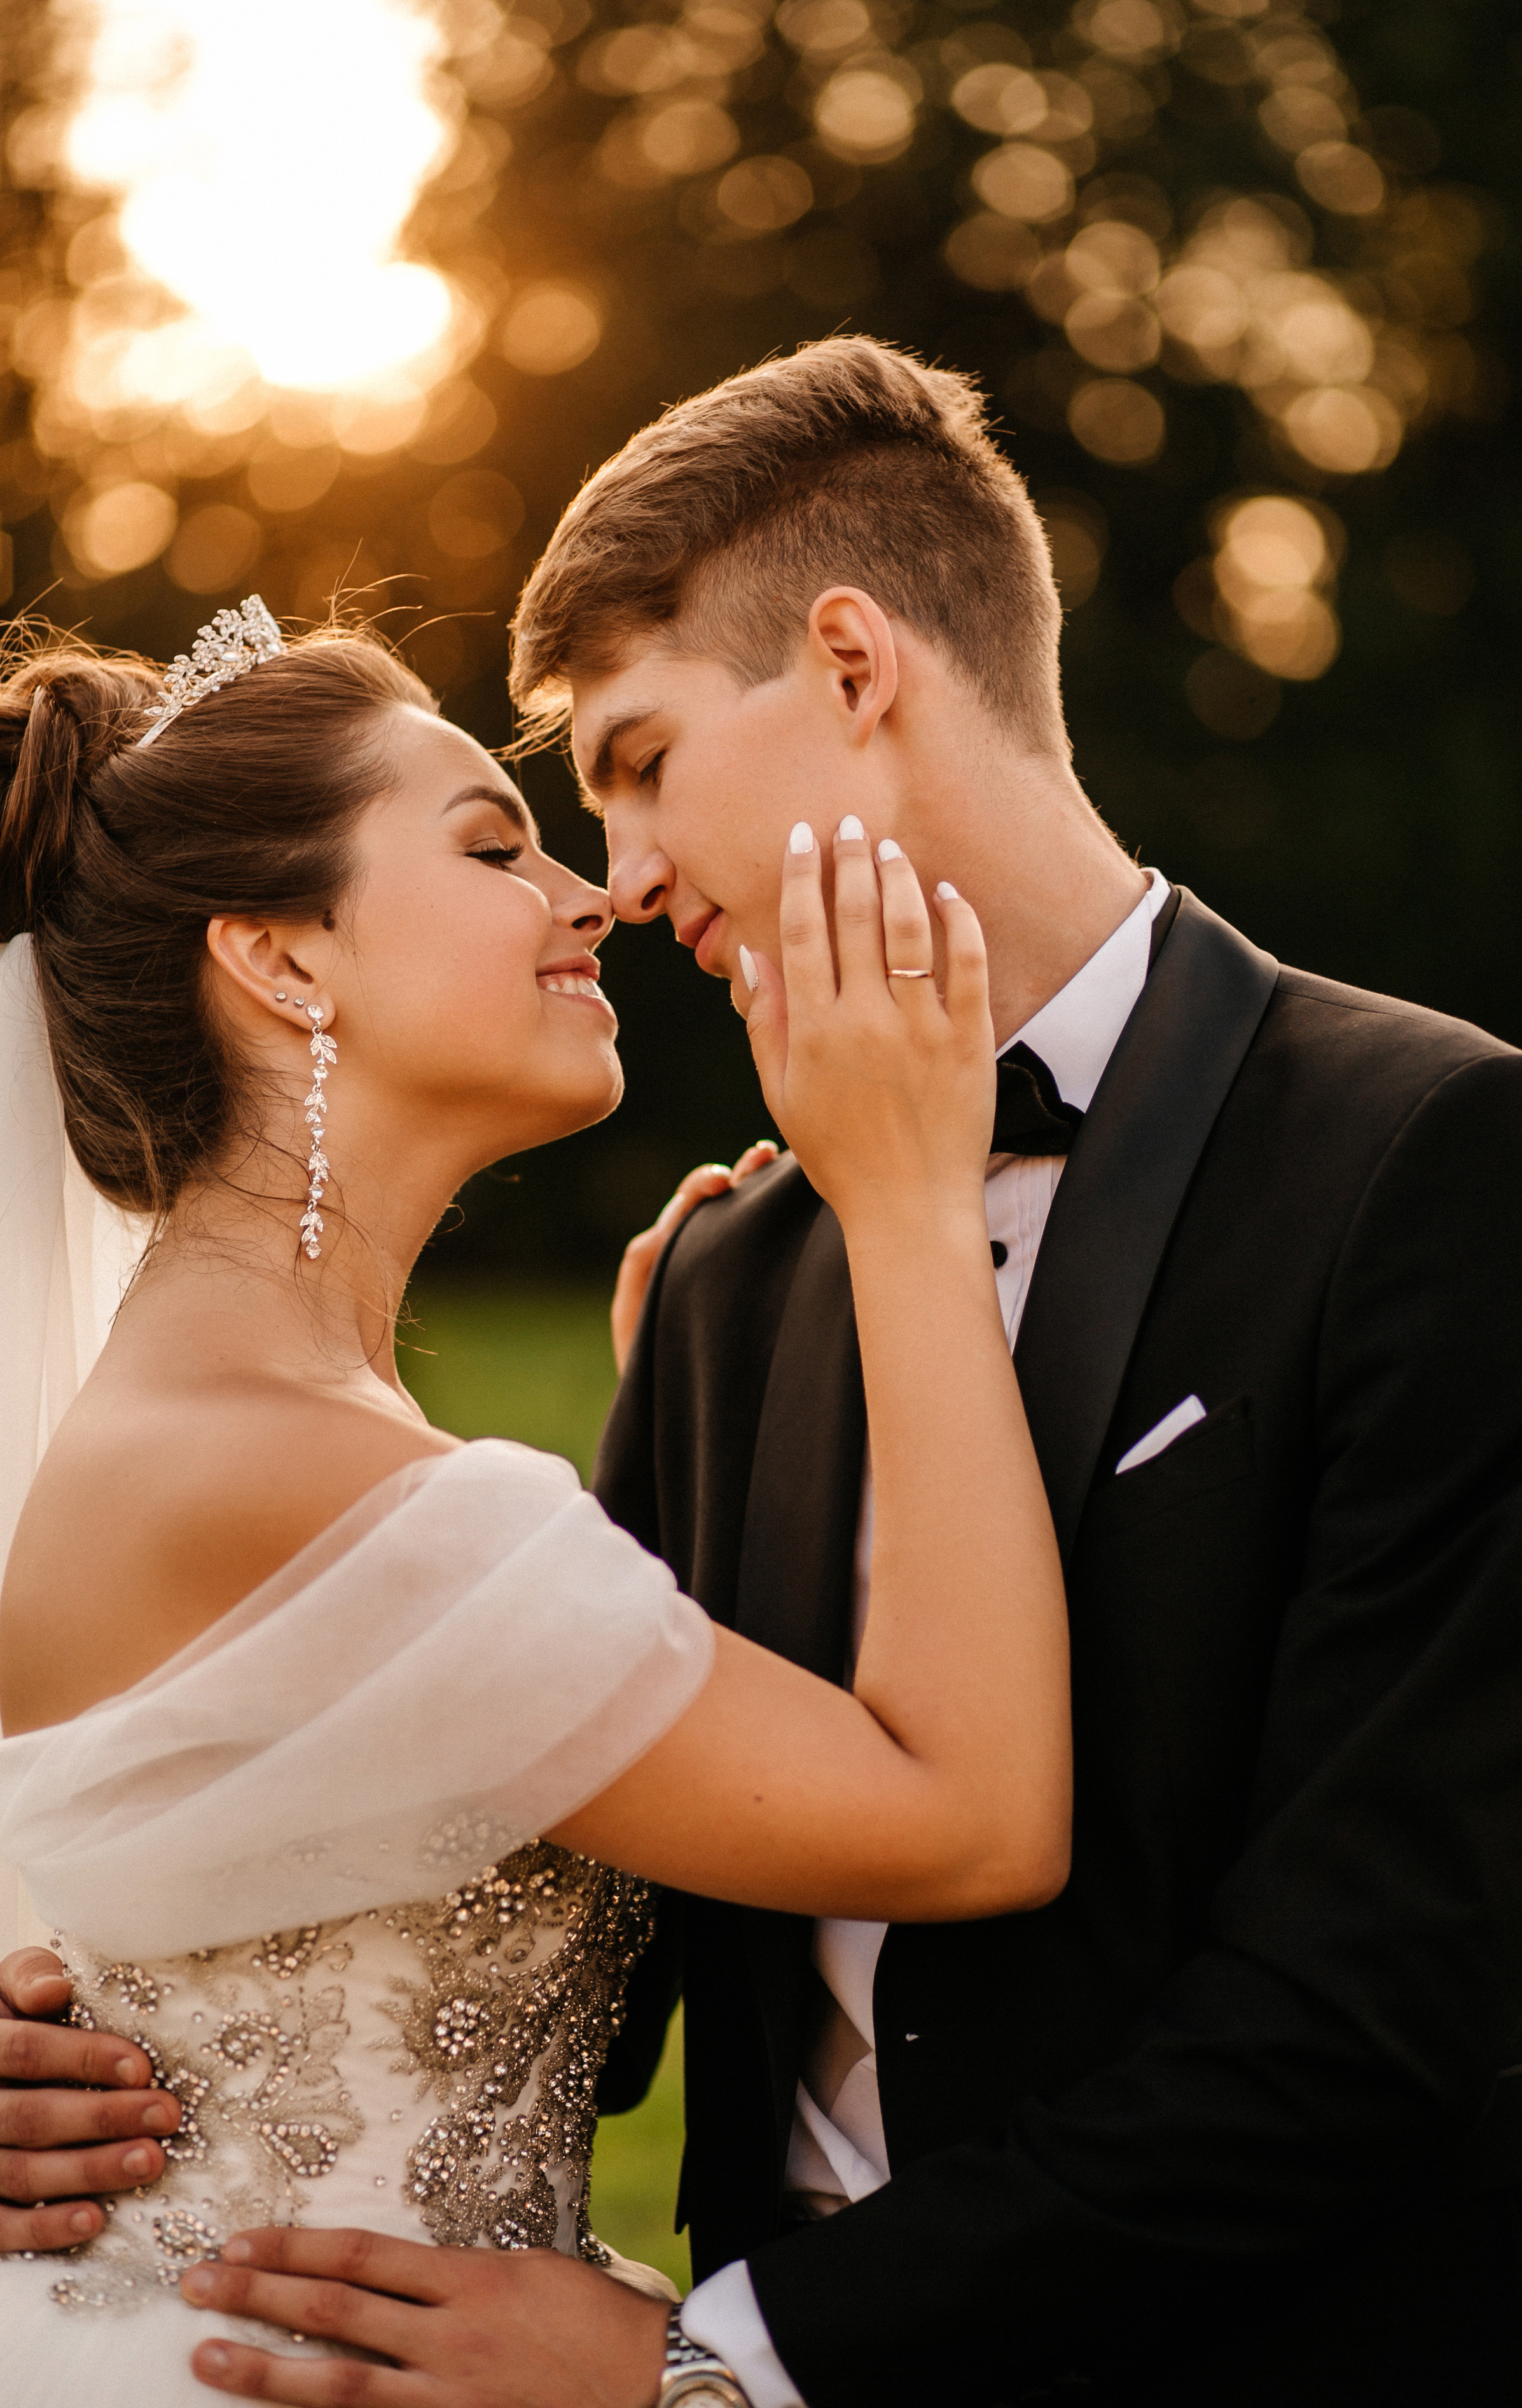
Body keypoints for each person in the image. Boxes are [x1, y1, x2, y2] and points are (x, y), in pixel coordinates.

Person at [7, 337, 1522, 2408]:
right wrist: (98, 2031)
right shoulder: (730, 1277)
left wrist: (725, 2362)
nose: (620, 879)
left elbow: (1370, 1999)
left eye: (640, 762)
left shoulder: (1439, 1159)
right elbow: (554, 1909)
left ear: (855, 666)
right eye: (543, 825)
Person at [0, 604, 1075, 2404]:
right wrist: (905, 1200)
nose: (592, 900)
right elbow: (972, 1825)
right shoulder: (298, 1472)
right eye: (496, 849)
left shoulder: (243, 1433)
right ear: (281, 959)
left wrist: (663, 1470)